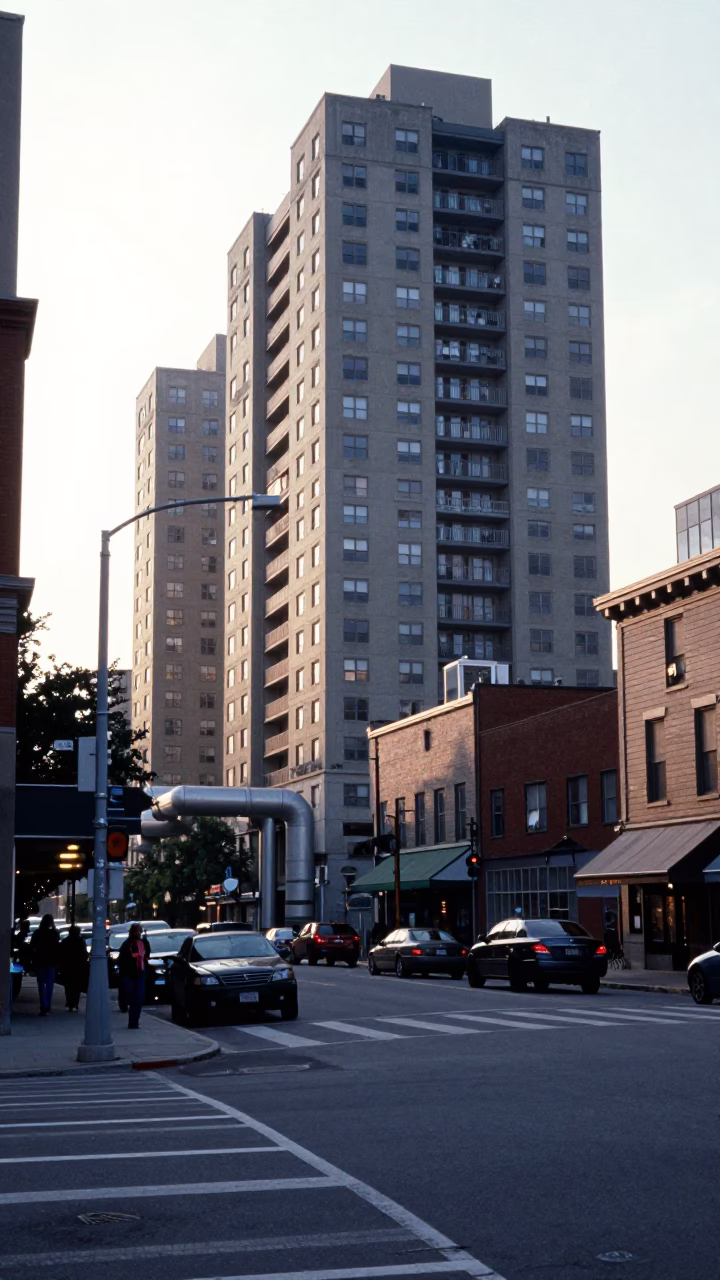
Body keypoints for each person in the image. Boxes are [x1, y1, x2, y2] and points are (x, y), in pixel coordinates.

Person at [117, 924, 150, 1029]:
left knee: (138, 999)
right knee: (132, 997)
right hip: (129, 974)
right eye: (136, 931)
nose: (138, 933)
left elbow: (147, 955)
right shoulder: (127, 944)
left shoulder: (144, 943)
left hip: (140, 973)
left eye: (139, 931)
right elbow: (122, 960)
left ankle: (134, 1022)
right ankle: (132, 1020)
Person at [29, 914, 60, 1016]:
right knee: (49, 985)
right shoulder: (54, 933)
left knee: (41, 985)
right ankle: (47, 1005)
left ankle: (44, 1005)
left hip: (40, 961)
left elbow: (32, 947)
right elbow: (57, 948)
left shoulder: (37, 933)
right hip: (51, 962)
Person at [58, 925, 88, 1012]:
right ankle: (75, 1003)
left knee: (68, 986)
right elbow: (84, 953)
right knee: (77, 986)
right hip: (78, 966)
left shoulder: (65, 941)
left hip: (67, 966)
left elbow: (61, 954)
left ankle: (69, 1002)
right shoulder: (81, 941)